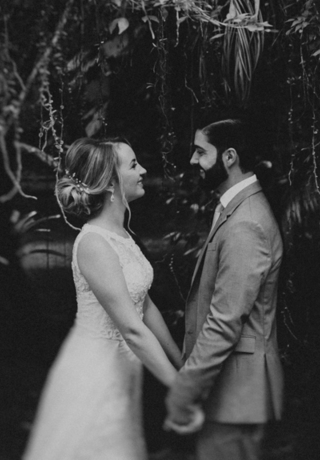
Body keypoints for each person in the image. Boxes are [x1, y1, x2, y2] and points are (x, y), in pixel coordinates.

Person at [24, 137, 202, 460]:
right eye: (134, 165)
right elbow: (132, 329)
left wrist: (182, 364)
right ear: (110, 183)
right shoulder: (93, 244)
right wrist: (179, 391)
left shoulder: (123, 236)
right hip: (95, 373)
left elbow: (144, 305)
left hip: (125, 370)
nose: (144, 170)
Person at [164, 118, 285, 460]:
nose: (193, 161)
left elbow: (224, 322)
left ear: (229, 157)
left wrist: (183, 391)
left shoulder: (246, 222)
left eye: (201, 152)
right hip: (232, 394)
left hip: (237, 397)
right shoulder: (235, 209)